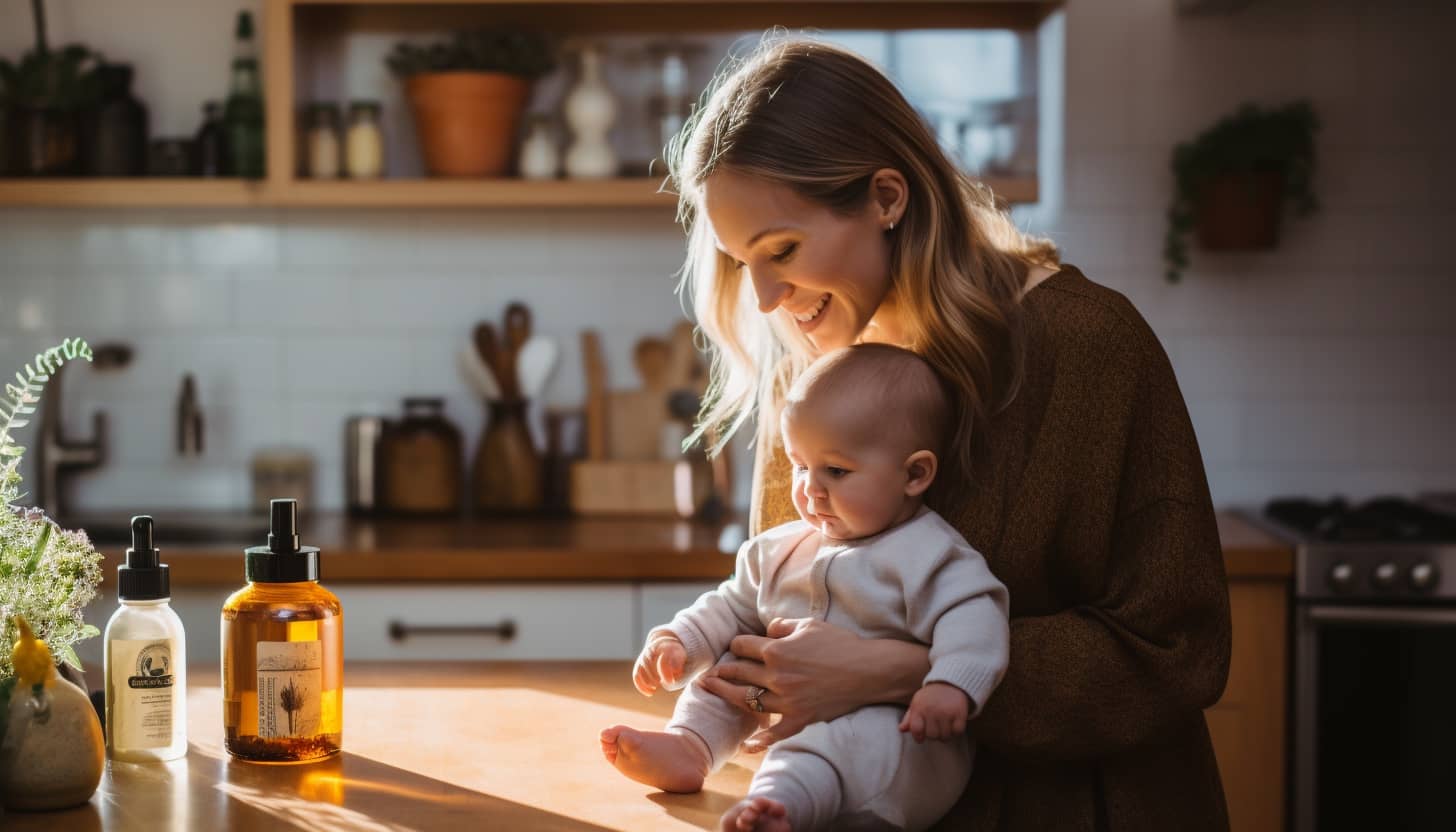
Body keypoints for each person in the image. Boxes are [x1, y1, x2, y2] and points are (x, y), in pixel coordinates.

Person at [659, 35, 1233, 831]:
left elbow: (1175, 649)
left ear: (887, 197)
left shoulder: (1090, 344)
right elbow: (786, 616)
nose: (762, 299)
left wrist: (900, 673)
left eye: (781, 250)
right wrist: (744, 682)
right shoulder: (814, 367)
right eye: (738, 262)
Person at [600, 344, 1010, 831]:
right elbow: (729, 605)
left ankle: (779, 807)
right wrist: (678, 641)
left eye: (835, 471)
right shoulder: (781, 550)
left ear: (915, 474)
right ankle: (690, 745)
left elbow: (976, 618)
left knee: (837, 746)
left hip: (894, 733)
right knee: (729, 672)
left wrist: (950, 686)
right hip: (788, 710)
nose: (809, 490)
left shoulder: (932, 554)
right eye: (799, 465)